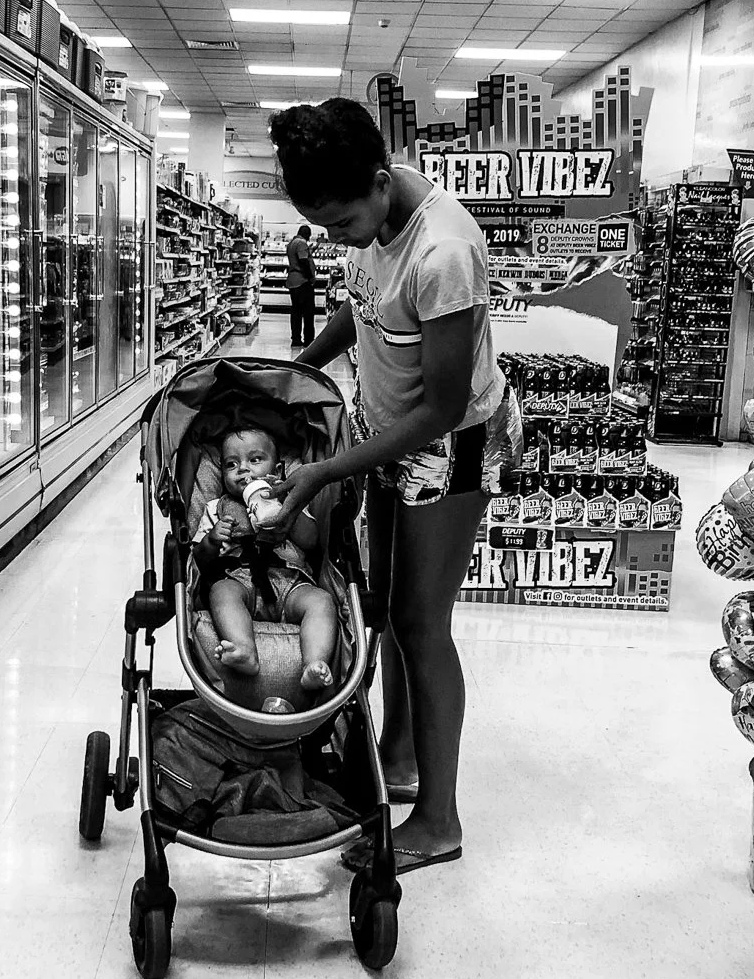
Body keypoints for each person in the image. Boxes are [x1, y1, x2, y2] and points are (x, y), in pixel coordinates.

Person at [265, 98, 519, 875]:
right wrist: (295, 370)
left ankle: (438, 820)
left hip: (454, 443)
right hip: (389, 436)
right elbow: (360, 308)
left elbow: (442, 407)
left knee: (419, 622)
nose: (337, 237)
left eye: (341, 222)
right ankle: (399, 755)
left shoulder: (443, 252)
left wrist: (326, 470)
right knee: (383, 608)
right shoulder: (374, 216)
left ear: (379, 183)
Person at [193, 425, 338, 692]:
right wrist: (212, 541)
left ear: (278, 470)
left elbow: (311, 542)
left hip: (292, 583)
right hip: (240, 581)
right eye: (231, 464)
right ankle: (245, 650)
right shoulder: (217, 508)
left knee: (322, 601)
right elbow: (199, 560)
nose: (243, 470)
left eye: (255, 459)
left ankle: (315, 664)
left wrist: (288, 513)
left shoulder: (291, 501)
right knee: (221, 592)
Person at [285, 223, 317, 348]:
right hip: (302, 282)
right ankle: (309, 340)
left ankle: (296, 339)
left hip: (293, 281)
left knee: (296, 312)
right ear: (307, 234)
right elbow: (303, 261)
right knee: (308, 312)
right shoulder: (302, 243)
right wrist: (310, 277)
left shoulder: (292, 243)